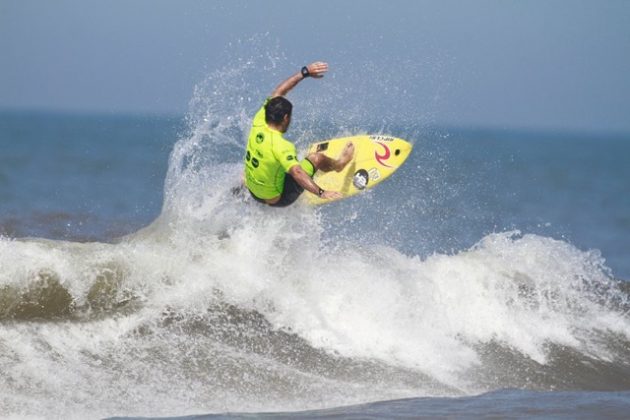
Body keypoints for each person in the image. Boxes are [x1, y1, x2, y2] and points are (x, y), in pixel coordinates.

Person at [243, 61, 354, 207]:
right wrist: (321, 192)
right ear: (286, 118)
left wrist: (305, 72)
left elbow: (278, 92)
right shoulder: (282, 146)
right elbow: (297, 172)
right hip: (277, 199)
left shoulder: (259, 120)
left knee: (253, 168)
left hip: (253, 192)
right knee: (316, 158)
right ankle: (339, 165)